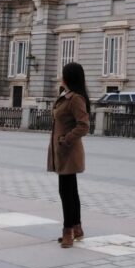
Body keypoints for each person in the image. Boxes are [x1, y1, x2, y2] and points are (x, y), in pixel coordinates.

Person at [48, 62, 91, 248]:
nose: (60, 77)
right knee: (69, 191)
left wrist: (66, 139)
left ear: (68, 77)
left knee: (67, 192)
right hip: (61, 151)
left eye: (63, 74)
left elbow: (84, 125)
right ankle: (77, 227)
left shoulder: (75, 99)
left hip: (68, 151)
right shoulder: (66, 96)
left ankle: (68, 231)